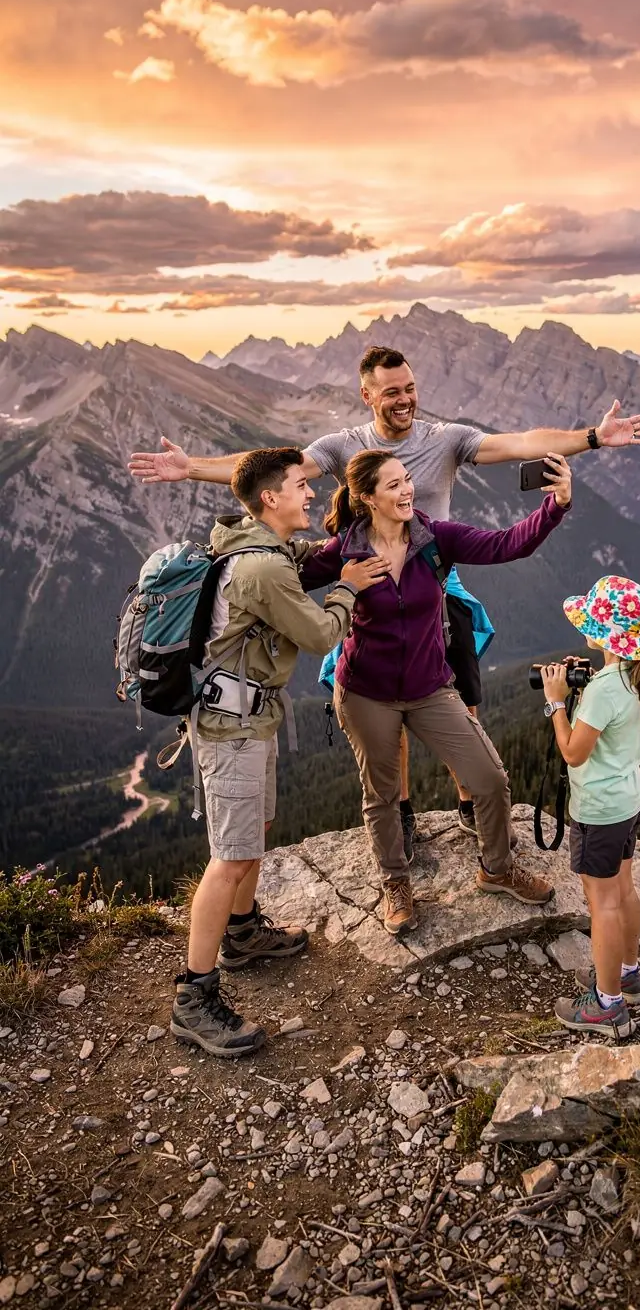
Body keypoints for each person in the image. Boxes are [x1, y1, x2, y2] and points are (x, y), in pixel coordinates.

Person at [128, 345, 640, 846]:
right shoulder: (343, 447)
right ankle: (399, 812)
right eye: (392, 391)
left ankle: (471, 803)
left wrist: (593, 437)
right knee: (382, 699)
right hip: (368, 579)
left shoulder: (444, 437)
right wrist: (192, 468)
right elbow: (273, 471)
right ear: (368, 396)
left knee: (458, 692)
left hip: (435, 576)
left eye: (410, 387)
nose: (405, 399)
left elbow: (518, 442)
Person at [296, 446, 573, 935]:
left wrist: (555, 506)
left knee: (488, 779)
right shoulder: (345, 550)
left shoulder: (433, 538)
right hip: (365, 693)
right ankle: (395, 883)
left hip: (429, 687)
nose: (407, 490)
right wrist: (339, 579)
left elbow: (506, 544)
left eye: (408, 481)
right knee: (382, 795)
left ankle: (497, 869)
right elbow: (285, 580)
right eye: (394, 485)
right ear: (366, 499)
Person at [171, 447, 388, 1058]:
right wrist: (346, 588)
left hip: (248, 714)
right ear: (271, 497)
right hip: (232, 726)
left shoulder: (253, 544)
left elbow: (301, 560)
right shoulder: (262, 567)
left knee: (254, 834)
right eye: (300, 485)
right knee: (230, 858)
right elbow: (319, 634)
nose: (311, 493)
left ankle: (241, 935)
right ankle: (194, 998)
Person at [536, 576, 640, 1040]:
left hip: (600, 810)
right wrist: (581, 685)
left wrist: (556, 704)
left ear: (604, 632)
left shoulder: (603, 689)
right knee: (625, 890)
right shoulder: (633, 673)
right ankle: (627, 976)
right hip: (630, 800)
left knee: (603, 904)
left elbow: (574, 752)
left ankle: (607, 1005)